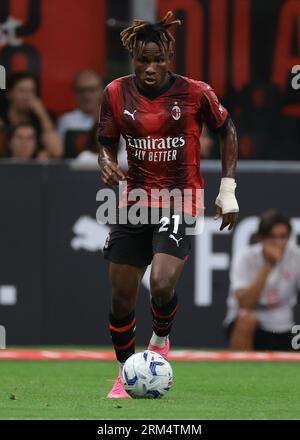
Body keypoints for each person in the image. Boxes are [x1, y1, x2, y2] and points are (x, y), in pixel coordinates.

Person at [98, 11, 239, 398]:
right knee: (122, 296)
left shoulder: (195, 93)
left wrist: (227, 191)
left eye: (158, 59)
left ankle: (159, 341)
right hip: (134, 199)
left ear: (168, 57)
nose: (150, 67)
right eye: (143, 59)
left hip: (180, 196)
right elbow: (107, 140)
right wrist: (107, 162)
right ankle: (126, 373)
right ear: (133, 59)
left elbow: (226, 130)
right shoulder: (115, 92)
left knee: (160, 283)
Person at [224, 210, 300, 351]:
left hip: (285, 328)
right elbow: (245, 303)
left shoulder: (296, 256)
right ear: (260, 238)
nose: (278, 243)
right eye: (272, 237)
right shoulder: (245, 258)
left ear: (289, 238)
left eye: (283, 237)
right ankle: (239, 370)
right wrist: (268, 265)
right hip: (254, 327)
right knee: (246, 318)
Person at [0, 72, 63, 158]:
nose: (27, 96)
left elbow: (57, 151)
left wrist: (42, 114)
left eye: (31, 91)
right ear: (9, 94)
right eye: (21, 91)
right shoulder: (2, 116)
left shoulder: (43, 117)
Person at [57, 70, 103, 157]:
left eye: (91, 90)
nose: (87, 95)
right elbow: (59, 153)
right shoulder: (66, 120)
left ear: (101, 90)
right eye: (82, 90)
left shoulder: (114, 117)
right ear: (74, 93)